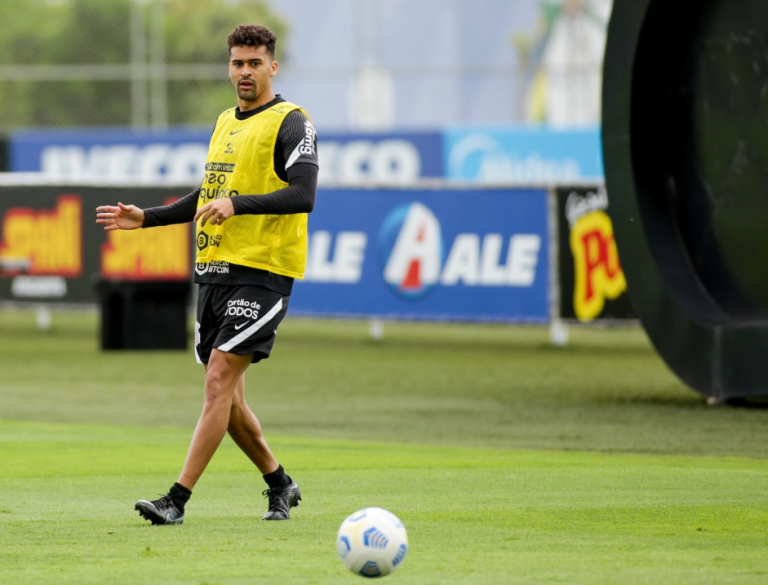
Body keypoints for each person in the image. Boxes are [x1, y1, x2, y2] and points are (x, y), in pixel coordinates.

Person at [96, 24, 318, 525]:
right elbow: (207, 196)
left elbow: (304, 194)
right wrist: (146, 218)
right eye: (238, 63)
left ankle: (176, 500)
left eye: (254, 63)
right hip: (214, 270)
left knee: (219, 379)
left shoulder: (292, 122)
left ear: (272, 67)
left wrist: (237, 205)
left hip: (262, 270)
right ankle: (280, 482)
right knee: (230, 399)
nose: (245, 71)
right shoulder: (225, 121)